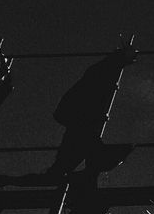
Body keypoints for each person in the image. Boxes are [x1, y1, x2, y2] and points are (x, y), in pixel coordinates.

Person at [48, 45, 136, 176]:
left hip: (80, 121)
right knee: (62, 166)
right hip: (78, 118)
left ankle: (64, 173)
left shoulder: (99, 74)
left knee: (63, 166)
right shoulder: (98, 75)